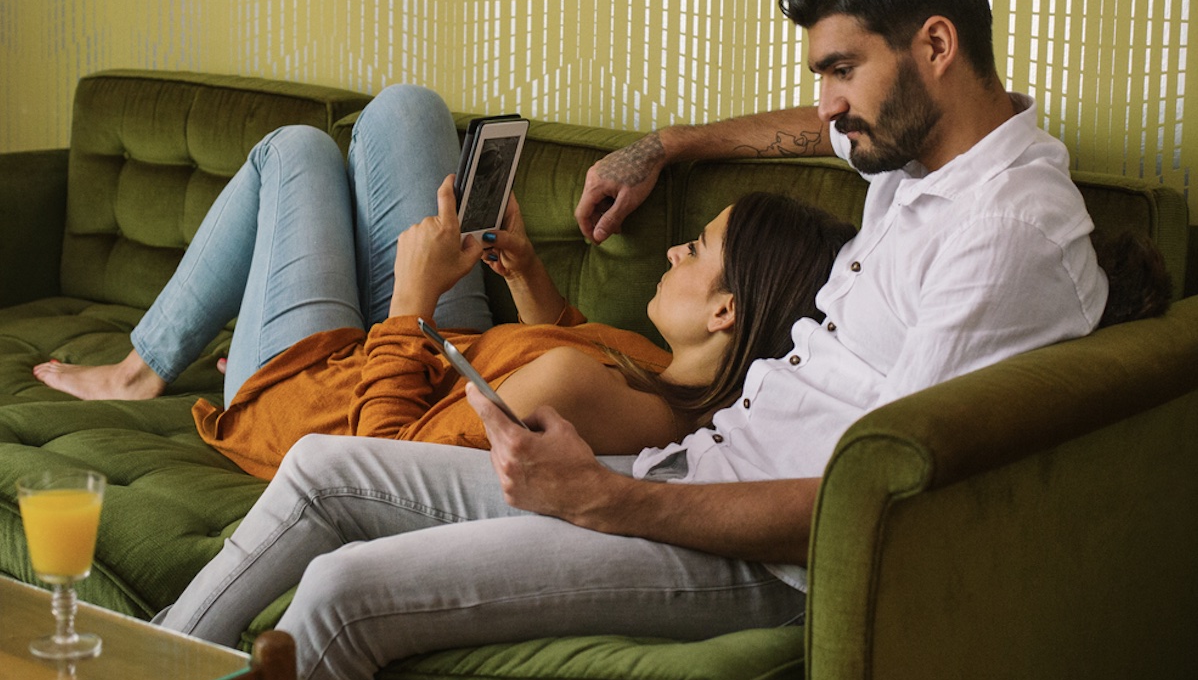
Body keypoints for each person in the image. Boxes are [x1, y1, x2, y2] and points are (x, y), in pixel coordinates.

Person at [55, 0, 1112, 680]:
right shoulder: (916, 150)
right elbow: (810, 128)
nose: (830, 109)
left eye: (843, 71)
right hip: (690, 476)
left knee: (347, 594)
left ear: (935, 45)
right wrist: (670, 147)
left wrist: (610, 499)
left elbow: (876, 504)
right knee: (324, 467)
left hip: (764, 560)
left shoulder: (1005, 235)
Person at [32, 85, 855, 470]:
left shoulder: (610, 394)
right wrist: (525, 270)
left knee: (295, 150)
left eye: (696, 252)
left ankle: (140, 371)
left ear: (725, 312)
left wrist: (411, 298)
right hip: (435, 350)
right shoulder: (657, 375)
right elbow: (571, 339)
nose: (674, 250)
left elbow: (379, 461)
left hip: (316, 402)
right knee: (404, 111)